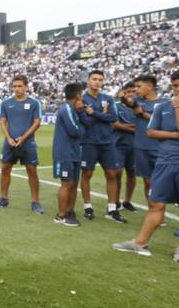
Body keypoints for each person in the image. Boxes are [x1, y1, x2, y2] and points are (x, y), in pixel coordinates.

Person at [113, 68, 179, 263]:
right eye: (175, 86)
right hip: (165, 160)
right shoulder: (162, 107)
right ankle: (140, 243)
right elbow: (152, 132)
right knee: (156, 203)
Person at [0, 75, 44, 214]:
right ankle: (3, 198)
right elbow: (3, 121)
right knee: (5, 168)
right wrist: (9, 138)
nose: (17, 89)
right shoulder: (6, 103)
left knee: (32, 171)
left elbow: (37, 122)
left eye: (20, 86)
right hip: (9, 142)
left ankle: (35, 202)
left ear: (26, 87)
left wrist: (24, 137)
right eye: (15, 86)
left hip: (28, 143)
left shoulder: (34, 103)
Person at [79, 70, 124, 223]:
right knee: (87, 174)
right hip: (89, 142)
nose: (97, 82)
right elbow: (85, 120)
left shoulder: (108, 99)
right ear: (88, 80)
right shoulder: (82, 99)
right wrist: (100, 114)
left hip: (107, 142)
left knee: (112, 174)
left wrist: (94, 113)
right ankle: (87, 206)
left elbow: (113, 118)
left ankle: (112, 209)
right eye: (94, 79)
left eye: (100, 79)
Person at [52, 83, 87, 227]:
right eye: (82, 94)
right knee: (66, 183)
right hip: (64, 153)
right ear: (78, 95)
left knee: (73, 184)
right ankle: (61, 215)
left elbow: (82, 125)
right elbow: (75, 131)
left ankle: (69, 211)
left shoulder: (74, 109)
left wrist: (81, 114)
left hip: (74, 152)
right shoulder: (66, 109)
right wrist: (82, 129)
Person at [131, 75, 164, 204]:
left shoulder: (164, 103)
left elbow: (163, 122)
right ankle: (153, 208)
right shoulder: (138, 101)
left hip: (158, 146)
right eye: (135, 86)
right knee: (147, 180)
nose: (136, 89)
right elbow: (128, 102)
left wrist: (142, 113)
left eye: (139, 86)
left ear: (150, 86)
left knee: (160, 180)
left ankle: (159, 208)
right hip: (141, 146)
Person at [113, 82, 138, 212]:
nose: (131, 94)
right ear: (124, 93)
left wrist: (128, 127)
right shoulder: (116, 106)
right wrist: (134, 128)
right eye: (128, 92)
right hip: (118, 144)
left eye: (133, 91)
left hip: (135, 145)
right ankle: (115, 201)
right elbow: (115, 124)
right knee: (117, 173)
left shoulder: (139, 106)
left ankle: (127, 201)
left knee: (132, 173)